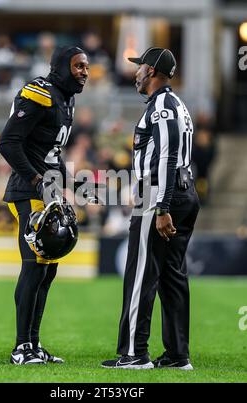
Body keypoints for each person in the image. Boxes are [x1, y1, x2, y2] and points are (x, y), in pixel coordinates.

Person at [102, 48, 200, 370]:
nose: (136, 72)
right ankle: (177, 355)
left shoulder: (162, 107)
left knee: (141, 273)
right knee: (172, 276)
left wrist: (161, 206)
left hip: (160, 194)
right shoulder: (177, 105)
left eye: (140, 66)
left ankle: (134, 353)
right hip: (183, 191)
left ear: (153, 70)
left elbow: (168, 157)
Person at [0, 46, 89, 365]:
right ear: (62, 67)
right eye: (78, 66)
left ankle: (34, 345)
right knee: (34, 267)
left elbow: (52, 155)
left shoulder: (67, 99)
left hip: (46, 191)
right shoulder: (39, 92)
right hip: (27, 191)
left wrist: (75, 184)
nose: (84, 72)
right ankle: (22, 347)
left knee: (47, 272)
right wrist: (37, 180)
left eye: (87, 67)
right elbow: (7, 143)